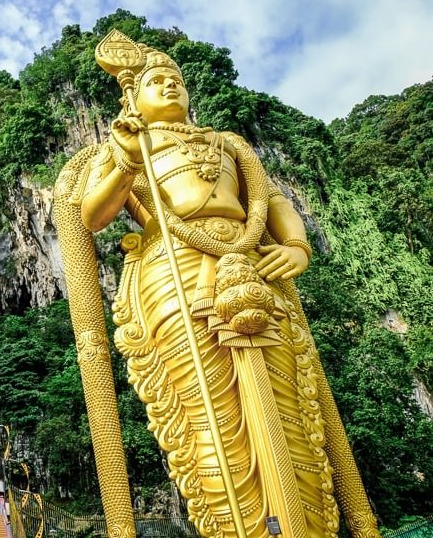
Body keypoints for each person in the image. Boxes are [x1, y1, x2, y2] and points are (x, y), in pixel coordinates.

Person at [56, 30, 381, 538]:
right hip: (175, 273)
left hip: (253, 263)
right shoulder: (125, 144)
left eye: (176, 81)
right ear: (131, 95)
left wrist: (296, 246)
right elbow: (92, 215)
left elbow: (272, 200)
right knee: (209, 410)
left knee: (291, 400)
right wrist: (125, 158)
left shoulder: (228, 142)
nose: (169, 87)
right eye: (155, 81)